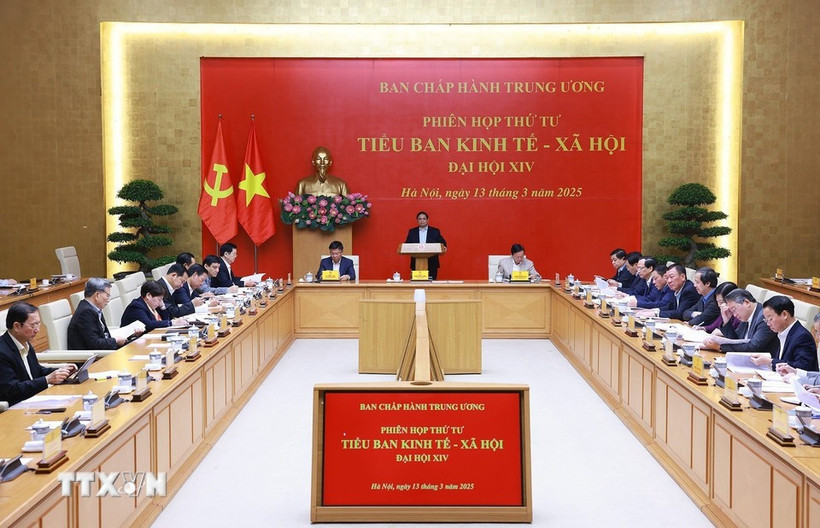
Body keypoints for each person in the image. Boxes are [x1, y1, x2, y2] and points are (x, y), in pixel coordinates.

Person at [0, 302, 76, 406]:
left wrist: (61, 371)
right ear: (17, 326)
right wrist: (46, 380)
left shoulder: (25, 343)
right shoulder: (2, 352)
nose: (37, 330)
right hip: (14, 408)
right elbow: (12, 389)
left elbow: (37, 371)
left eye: (38, 323)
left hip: (34, 399)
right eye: (33, 325)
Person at [748, 295, 817, 371]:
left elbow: (802, 367)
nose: (768, 324)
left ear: (784, 314)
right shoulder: (780, 332)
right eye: (766, 320)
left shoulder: (802, 336)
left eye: (770, 319)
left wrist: (770, 361)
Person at [702, 288, 779, 355]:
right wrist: (726, 321)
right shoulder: (745, 316)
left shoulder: (764, 317)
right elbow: (735, 340)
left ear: (747, 303)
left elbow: (753, 347)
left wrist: (719, 347)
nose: (734, 315)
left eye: (734, 309)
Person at [67, 277, 132, 350]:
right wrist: (115, 340)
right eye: (107, 295)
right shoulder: (85, 313)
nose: (108, 300)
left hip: (105, 351)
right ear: (97, 295)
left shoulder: (94, 308)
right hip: (94, 358)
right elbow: (95, 344)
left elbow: (103, 335)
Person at [121, 281, 188, 331]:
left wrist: (162, 308)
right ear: (148, 296)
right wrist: (173, 323)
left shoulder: (152, 305)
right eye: (159, 299)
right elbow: (148, 325)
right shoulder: (136, 307)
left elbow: (164, 320)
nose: (160, 303)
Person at [404, 211, 447, 280]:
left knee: (431, 286)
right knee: (417, 285)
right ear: (417, 220)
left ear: (427, 220)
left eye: (424, 219)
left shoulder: (435, 231)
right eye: (420, 219)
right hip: (416, 263)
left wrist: (444, 247)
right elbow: (407, 245)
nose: (422, 221)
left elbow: (442, 243)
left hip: (432, 262)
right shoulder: (412, 232)